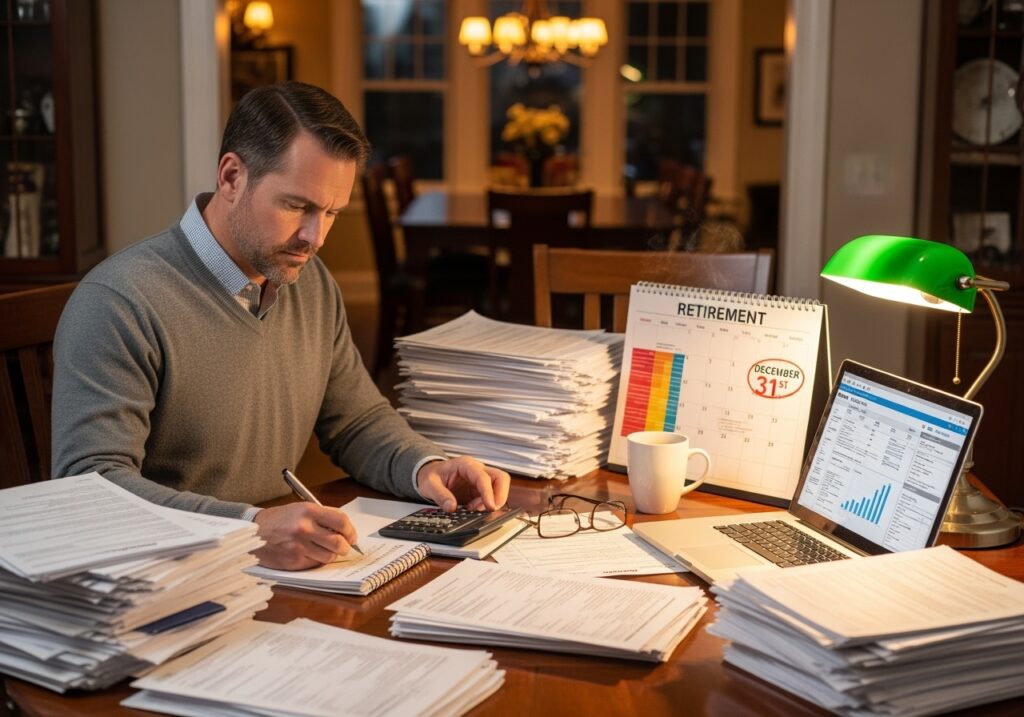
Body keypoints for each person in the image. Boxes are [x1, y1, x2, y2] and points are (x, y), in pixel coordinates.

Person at [52, 82, 510, 570]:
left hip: (276, 571)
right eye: (298, 206)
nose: (315, 237)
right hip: (168, 580)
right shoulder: (120, 300)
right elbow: (93, 486)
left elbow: (355, 419)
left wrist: (425, 467)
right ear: (231, 177)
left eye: (331, 212)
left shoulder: (308, 282)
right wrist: (250, 528)